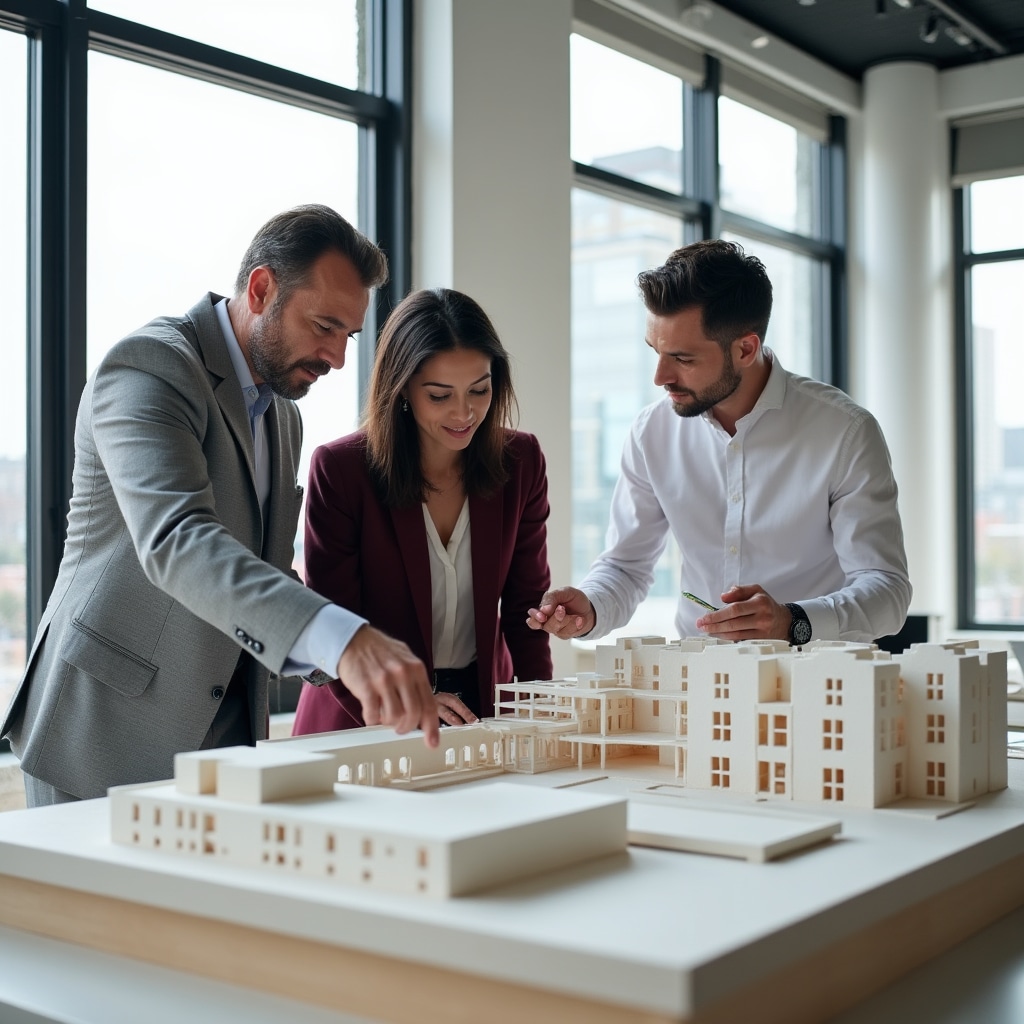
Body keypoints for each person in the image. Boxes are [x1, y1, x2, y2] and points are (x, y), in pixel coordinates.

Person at [2, 205, 440, 807]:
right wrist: (345, 640)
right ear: (261, 290)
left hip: (225, 741)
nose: (338, 357)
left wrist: (355, 669)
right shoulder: (151, 367)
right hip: (102, 734)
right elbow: (178, 540)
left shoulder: (283, 416)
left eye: (349, 335)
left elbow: (261, 569)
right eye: (324, 326)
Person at [528, 239, 911, 647]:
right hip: (699, 678)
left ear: (745, 348)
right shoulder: (650, 433)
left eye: (683, 359)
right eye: (655, 351)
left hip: (819, 678)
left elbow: (886, 590)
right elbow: (625, 566)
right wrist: (591, 606)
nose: (660, 377)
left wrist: (793, 621)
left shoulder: (845, 432)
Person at [292, 287, 552, 734]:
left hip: (479, 713)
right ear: (404, 389)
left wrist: (541, 713)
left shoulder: (521, 461)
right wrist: (404, 705)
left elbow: (526, 612)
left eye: (479, 389)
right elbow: (332, 625)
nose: (464, 413)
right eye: (439, 395)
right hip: (364, 719)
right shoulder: (342, 470)